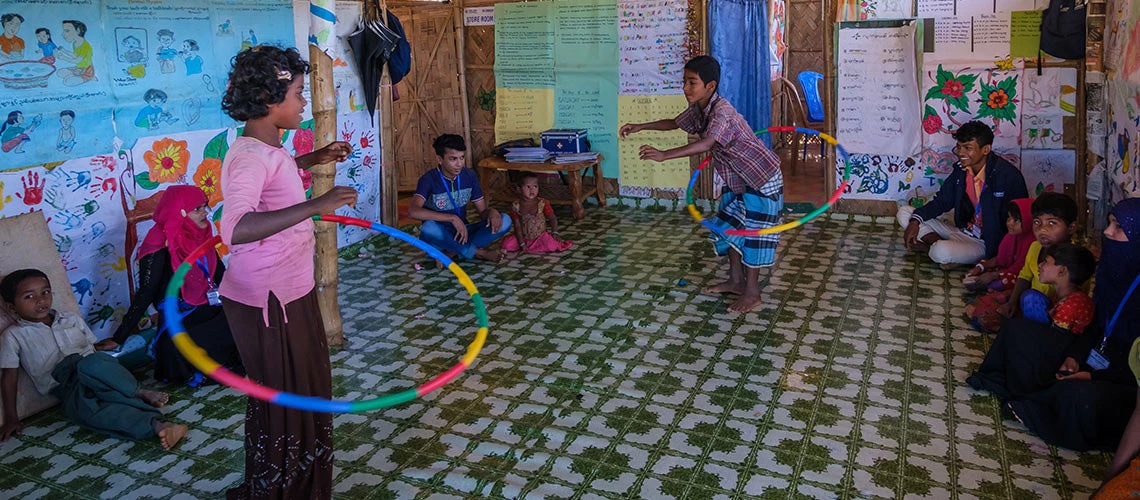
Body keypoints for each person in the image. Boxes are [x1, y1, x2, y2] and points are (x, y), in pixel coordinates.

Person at [219, 45, 356, 499]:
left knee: (305, 389)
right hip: (267, 298)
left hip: (289, 287)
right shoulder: (251, 155)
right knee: (286, 398)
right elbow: (235, 227)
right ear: (269, 100)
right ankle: (282, 490)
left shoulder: (266, 147)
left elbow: (274, 180)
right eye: (298, 94)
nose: (303, 104)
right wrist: (317, 204)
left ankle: (297, 484)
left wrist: (313, 160)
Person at [966, 198, 1140, 452]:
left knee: (1083, 397)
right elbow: (1095, 325)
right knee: (1017, 331)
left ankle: (1043, 403)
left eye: (1118, 228)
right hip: (1089, 351)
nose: (1106, 232)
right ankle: (1023, 389)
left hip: (1123, 378)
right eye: (1110, 223)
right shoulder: (1110, 273)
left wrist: (1092, 374)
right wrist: (1074, 356)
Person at [619, 55, 782, 313]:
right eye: (684, 81)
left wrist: (664, 155)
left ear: (710, 86)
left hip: (761, 178)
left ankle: (753, 293)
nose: (685, 88)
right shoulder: (700, 109)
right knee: (727, 227)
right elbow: (675, 123)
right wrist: (640, 126)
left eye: (692, 82)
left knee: (753, 234)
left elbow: (707, 144)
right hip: (737, 179)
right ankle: (736, 281)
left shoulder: (722, 112)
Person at [0, 269, 188, 450]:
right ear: (11, 307)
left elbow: (92, 348)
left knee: (93, 364)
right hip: (65, 385)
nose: (41, 299)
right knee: (91, 412)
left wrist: (111, 344)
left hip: (94, 367)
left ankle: (138, 391)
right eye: (29, 296)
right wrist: (11, 417)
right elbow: (9, 376)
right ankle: (159, 426)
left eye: (45, 292)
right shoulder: (14, 336)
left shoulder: (71, 319)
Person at [101, 185, 242, 386]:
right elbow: (146, 293)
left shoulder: (201, 234)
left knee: (242, 321)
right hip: (181, 315)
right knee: (185, 344)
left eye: (205, 207)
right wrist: (119, 337)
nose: (204, 213)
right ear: (180, 211)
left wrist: (245, 302)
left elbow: (220, 275)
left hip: (209, 306)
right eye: (197, 209)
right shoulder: (158, 243)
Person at [899, 121, 1028, 267]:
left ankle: (936, 250)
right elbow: (942, 201)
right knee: (905, 213)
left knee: (940, 251)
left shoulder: (1007, 176)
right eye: (959, 147)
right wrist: (916, 220)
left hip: (984, 243)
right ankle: (949, 252)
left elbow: (1019, 219)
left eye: (968, 148)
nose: (961, 153)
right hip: (963, 230)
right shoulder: (961, 170)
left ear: (986, 149)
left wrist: (1000, 256)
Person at [409, 133, 511, 264]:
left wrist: (492, 212)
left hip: (463, 232)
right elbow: (413, 211)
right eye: (453, 159)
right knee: (428, 228)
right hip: (440, 235)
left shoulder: (469, 176)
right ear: (440, 159)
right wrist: (452, 218)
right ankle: (478, 253)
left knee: (505, 220)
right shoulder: (428, 179)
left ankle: (452, 252)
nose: (459, 164)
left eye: (462, 158)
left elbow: (482, 212)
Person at [997, 193, 1079, 321]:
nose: (1042, 230)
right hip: (1031, 305)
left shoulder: (1075, 258)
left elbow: (1075, 299)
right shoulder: (1035, 247)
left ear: (1071, 228)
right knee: (982, 312)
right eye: (1037, 222)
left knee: (1031, 298)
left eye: (1052, 223)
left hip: (1062, 316)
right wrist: (1012, 302)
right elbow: (1025, 275)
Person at [963, 198, 1035, 292]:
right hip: (1006, 270)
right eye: (1009, 218)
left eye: (1016, 220)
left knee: (1007, 281)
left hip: (1020, 277)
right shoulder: (1011, 237)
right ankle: (987, 285)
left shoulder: (1032, 243)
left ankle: (989, 287)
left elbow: (1019, 270)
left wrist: (993, 275)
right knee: (975, 274)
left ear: (1028, 221)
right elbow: (999, 259)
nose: (1010, 223)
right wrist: (981, 267)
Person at [1024, 243, 1096, 335]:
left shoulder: (1073, 305)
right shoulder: (1061, 297)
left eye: (1046, 261)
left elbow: (1055, 341)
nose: (1040, 265)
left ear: (1062, 271)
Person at [502, 172, 572, 254]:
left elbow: (553, 218)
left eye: (535, 186)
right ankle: (529, 247)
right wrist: (522, 243)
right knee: (506, 244)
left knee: (551, 245)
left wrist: (555, 232)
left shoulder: (543, 203)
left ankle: (533, 247)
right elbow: (517, 226)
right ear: (519, 189)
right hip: (523, 238)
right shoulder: (515, 206)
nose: (532, 190)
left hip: (541, 237)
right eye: (528, 187)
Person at [55, 20, 95, 86]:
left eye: (67, 31)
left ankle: (89, 78)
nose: (63, 34)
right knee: (60, 73)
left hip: (87, 70)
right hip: (79, 68)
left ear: (78, 31)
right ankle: (75, 75)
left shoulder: (86, 46)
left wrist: (64, 58)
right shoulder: (75, 44)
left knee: (66, 82)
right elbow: (75, 55)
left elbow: (77, 60)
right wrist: (64, 50)